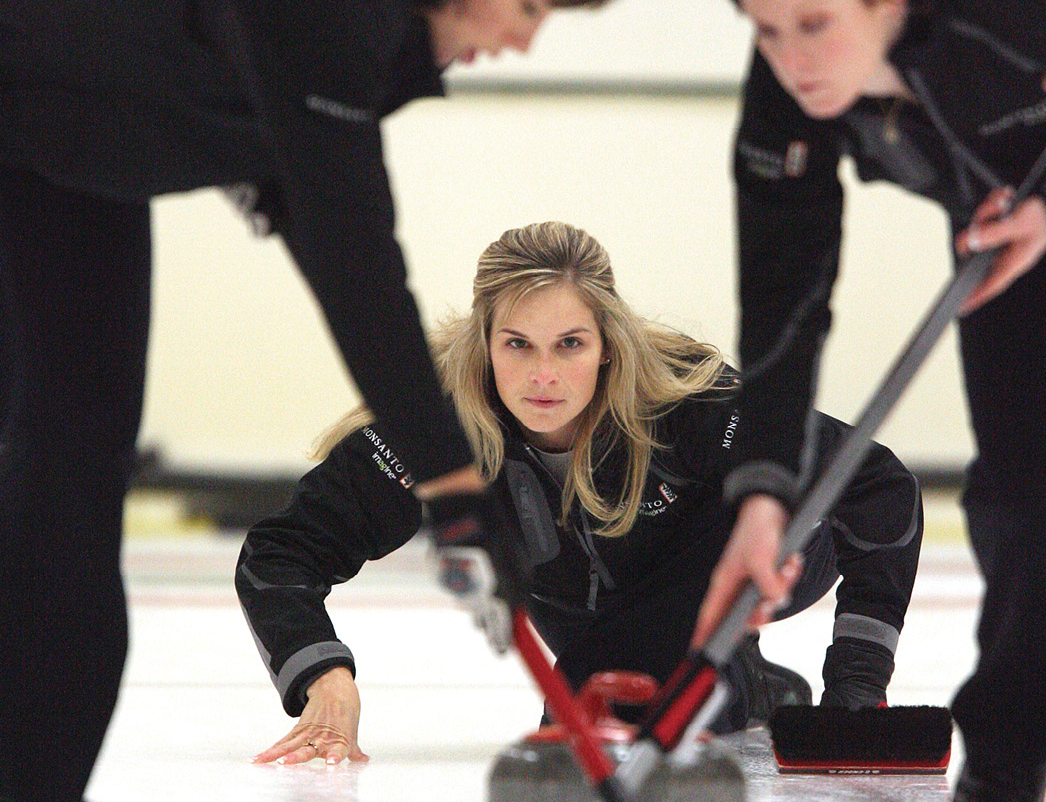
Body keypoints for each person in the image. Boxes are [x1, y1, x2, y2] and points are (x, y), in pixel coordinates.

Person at [0, 0, 630, 802]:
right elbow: (353, 260)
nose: (520, 39)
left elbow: (302, 194)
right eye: (529, 2)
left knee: (80, 423)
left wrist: (452, 494)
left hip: (67, 117)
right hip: (49, 84)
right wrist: (453, 484)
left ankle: (32, 780)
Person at [705, 0, 1046, 802]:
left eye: (814, 25)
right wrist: (764, 494)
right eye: (764, 31)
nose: (791, 59)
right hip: (1018, 209)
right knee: (1019, 486)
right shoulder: (785, 99)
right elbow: (782, 305)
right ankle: (1014, 733)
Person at [234, 221, 923, 765]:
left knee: (609, 697)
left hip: (755, 566)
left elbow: (877, 482)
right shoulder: (438, 422)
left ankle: (719, 675)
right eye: (517, 345)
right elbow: (281, 552)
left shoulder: (685, 398)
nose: (543, 376)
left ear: (606, 344)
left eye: (568, 344)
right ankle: (743, 684)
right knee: (610, 687)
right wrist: (325, 679)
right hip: (588, 613)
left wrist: (855, 690)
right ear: (483, 343)